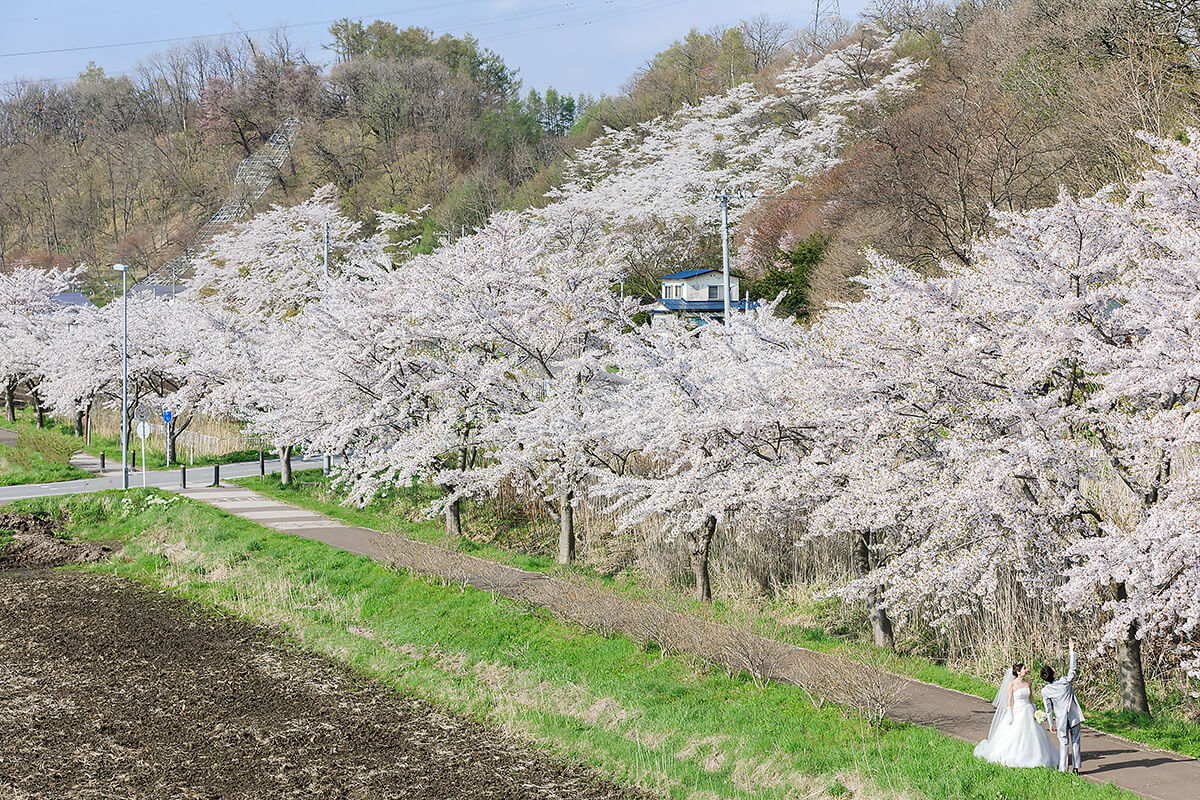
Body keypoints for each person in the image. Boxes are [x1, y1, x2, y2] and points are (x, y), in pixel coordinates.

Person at [974, 661, 1058, 768]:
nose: (1026, 670)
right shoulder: (1012, 685)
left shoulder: (1028, 683)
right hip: (1018, 711)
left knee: (1035, 734)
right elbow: (1009, 702)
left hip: (1028, 710)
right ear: (1018, 672)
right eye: (1024, 669)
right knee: (1016, 734)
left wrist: (1035, 710)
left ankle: (1037, 756)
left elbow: (1031, 698)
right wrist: (1010, 715)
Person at [1042, 640, 1085, 774]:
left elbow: (1048, 709)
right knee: (1076, 741)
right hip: (1073, 716)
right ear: (1053, 674)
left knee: (1063, 743)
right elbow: (1072, 669)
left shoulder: (1045, 691)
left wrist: (1051, 723)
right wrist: (1072, 651)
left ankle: (1063, 768)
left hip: (1060, 719)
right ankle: (1076, 768)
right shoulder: (1065, 682)